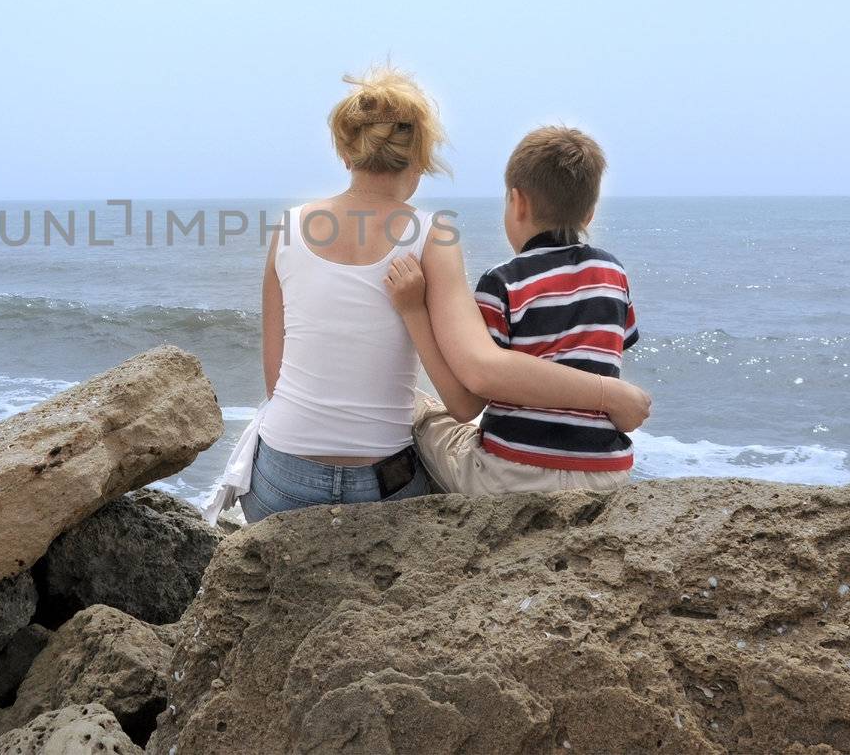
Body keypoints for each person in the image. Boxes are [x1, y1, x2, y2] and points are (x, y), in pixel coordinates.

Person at [204, 71, 651, 524]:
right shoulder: (431, 235)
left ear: (345, 152)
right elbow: (465, 403)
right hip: (382, 488)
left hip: (283, 480)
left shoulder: (288, 229)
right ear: (421, 157)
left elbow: (275, 383)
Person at [386, 125, 643, 495]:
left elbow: (465, 401)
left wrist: (414, 310)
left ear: (518, 202)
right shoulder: (612, 273)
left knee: (424, 417)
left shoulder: (503, 282)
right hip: (606, 472)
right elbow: (608, 352)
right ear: (589, 213)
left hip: (510, 476)